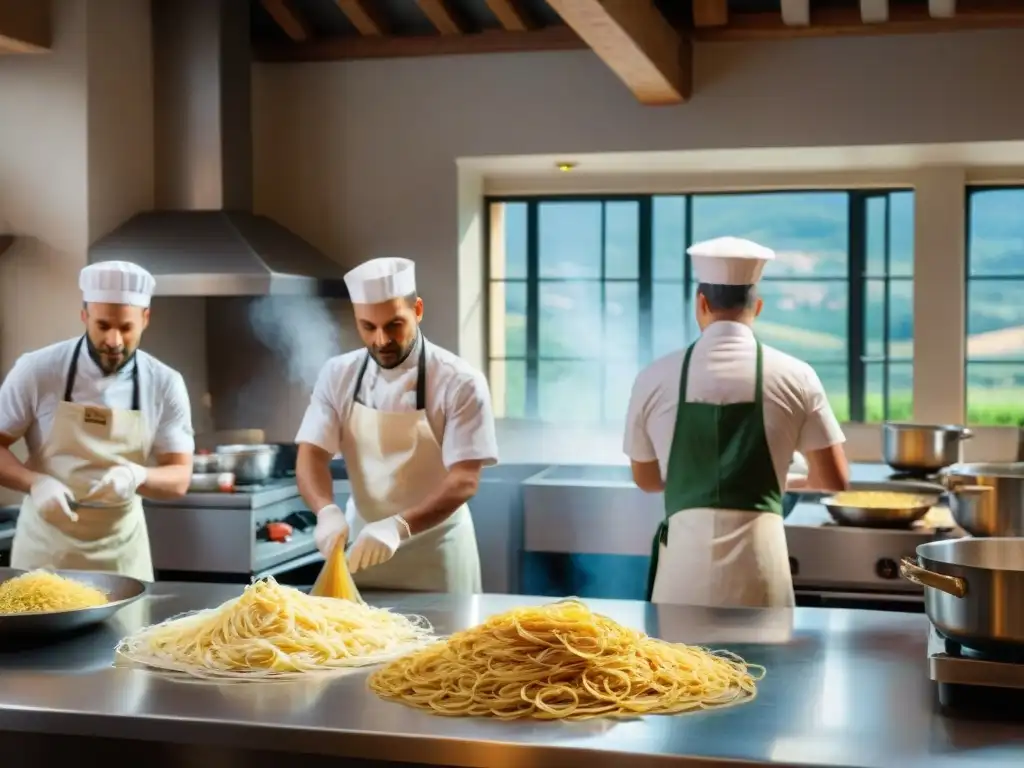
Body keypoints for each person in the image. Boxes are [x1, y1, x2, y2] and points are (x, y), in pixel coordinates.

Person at [624, 236, 849, 608]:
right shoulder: (796, 375)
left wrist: (697, 476)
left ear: (702, 303)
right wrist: (779, 478)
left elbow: (646, 480)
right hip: (760, 570)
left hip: (684, 572)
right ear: (756, 306)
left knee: (681, 666)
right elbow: (833, 479)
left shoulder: (653, 376)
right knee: (762, 668)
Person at [295, 257, 498, 593]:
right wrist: (326, 511)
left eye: (394, 325)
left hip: (437, 554)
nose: (381, 340)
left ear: (417, 310)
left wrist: (398, 526)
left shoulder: (459, 381)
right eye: (368, 327)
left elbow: (465, 479)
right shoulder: (338, 373)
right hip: (362, 550)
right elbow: (311, 454)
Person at [0, 261, 195, 581]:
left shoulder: (164, 383)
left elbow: (179, 478)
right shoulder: (38, 370)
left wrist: (137, 476)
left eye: (126, 327)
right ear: (84, 316)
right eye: (103, 326)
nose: (114, 340)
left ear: (145, 319)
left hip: (122, 558)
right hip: (46, 553)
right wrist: (35, 483)